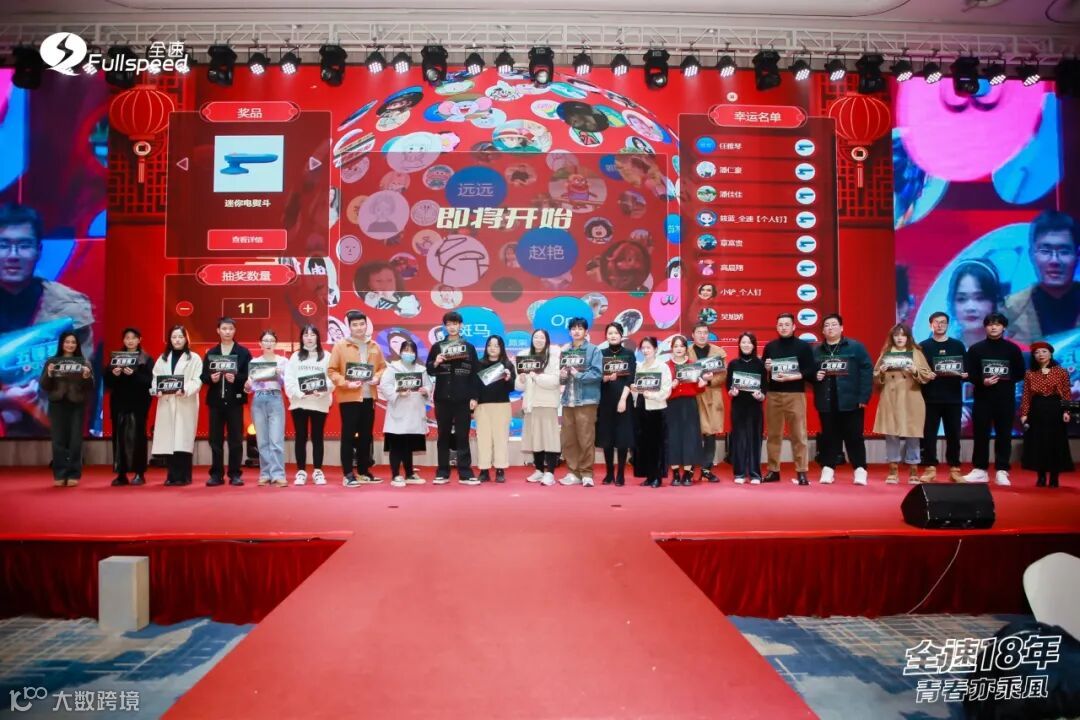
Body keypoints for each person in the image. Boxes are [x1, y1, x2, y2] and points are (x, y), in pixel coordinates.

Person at [0, 203, 96, 437]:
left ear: (38, 250)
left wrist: (33, 399)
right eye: (3, 246)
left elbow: (79, 385)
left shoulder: (70, 310)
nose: (13, 256)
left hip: (46, 439)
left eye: (24, 245)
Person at [963, 313, 1027, 485]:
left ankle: (1002, 470)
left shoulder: (1012, 349)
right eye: (990, 324)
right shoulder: (976, 349)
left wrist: (1005, 377)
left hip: (1005, 399)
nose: (993, 327)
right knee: (981, 434)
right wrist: (982, 381)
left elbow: (1020, 372)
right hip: (982, 399)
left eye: (997, 324)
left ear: (1003, 327)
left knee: (1004, 435)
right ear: (985, 327)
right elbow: (969, 374)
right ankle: (980, 470)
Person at [812, 314, 874, 485]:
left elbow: (867, 371)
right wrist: (814, 375)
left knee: (854, 436)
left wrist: (864, 396)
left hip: (851, 401)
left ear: (841, 328)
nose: (830, 328)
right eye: (827, 325)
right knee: (829, 436)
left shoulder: (855, 347)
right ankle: (828, 468)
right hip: (826, 401)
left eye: (834, 324)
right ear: (823, 330)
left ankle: (860, 469)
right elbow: (809, 372)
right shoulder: (816, 351)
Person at [328, 311, 387, 486]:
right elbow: (332, 371)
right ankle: (347, 474)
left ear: (366, 325)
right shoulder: (340, 346)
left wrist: (377, 377)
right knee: (348, 436)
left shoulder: (374, 346)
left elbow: (383, 367)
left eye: (362, 324)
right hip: (349, 397)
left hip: (369, 397)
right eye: (355, 325)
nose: (359, 328)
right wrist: (346, 383)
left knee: (366, 436)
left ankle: (363, 471)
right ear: (349, 327)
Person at [1004, 211, 1080, 345]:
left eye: (1064, 251)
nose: (1054, 260)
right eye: (1045, 251)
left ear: (1077, 256)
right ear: (1031, 255)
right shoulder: (1010, 309)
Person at [872, 323, 934, 484]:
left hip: (911, 395)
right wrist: (881, 372)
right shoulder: (886, 353)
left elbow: (927, 375)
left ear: (908, 337)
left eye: (903, 335)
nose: (899, 338)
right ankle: (893, 470)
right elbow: (875, 377)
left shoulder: (916, 353)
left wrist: (915, 370)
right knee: (891, 434)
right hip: (890, 397)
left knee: (913, 434)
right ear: (892, 337)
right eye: (896, 335)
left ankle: (913, 469)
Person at [761, 313, 817, 485]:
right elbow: (763, 371)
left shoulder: (803, 347)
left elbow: (811, 371)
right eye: (780, 324)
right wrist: (766, 367)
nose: (783, 327)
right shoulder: (770, 346)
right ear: (776, 327)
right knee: (773, 434)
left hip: (796, 394)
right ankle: (773, 470)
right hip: (773, 394)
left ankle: (802, 471)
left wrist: (794, 377)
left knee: (799, 434)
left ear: (793, 327)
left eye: (787, 324)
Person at [426, 311, 480, 485]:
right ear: (445, 326)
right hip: (442, 398)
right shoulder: (437, 347)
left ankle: (465, 473)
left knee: (463, 436)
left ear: (460, 325)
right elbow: (429, 369)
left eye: (455, 324)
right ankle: (442, 472)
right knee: (443, 435)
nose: (452, 327)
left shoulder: (469, 348)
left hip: (463, 399)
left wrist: (474, 397)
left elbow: (475, 374)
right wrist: (436, 362)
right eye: (449, 324)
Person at [201, 317, 251, 487]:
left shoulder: (243, 353)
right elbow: (203, 376)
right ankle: (216, 474)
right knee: (215, 440)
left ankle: (235, 474)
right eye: (224, 328)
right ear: (218, 331)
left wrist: (236, 378)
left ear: (234, 331)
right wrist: (211, 378)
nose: (227, 332)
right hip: (215, 402)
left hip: (235, 402)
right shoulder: (211, 353)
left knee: (235, 440)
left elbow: (250, 376)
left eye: (230, 328)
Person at [918, 312, 968, 482]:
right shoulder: (922, 346)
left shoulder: (957, 345)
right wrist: (925, 375)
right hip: (930, 398)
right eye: (936, 322)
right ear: (930, 325)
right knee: (929, 435)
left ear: (948, 324)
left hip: (953, 398)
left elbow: (966, 369)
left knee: (954, 434)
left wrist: (965, 374)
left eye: (943, 322)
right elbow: (918, 371)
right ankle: (930, 468)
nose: (940, 325)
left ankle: (954, 469)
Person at [151, 326, 203, 486]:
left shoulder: (194, 358)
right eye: (174, 337)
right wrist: (157, 389)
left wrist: (185, 390)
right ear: (170, 339)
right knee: (170, 440)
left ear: (186, 339)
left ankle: (184, 476)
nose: (177, 340)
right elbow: (155, 378)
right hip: (167, 401)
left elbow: (197, 380)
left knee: (183, 440)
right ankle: (171, 475)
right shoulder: (163, 358)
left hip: (185, 401)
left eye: (180, 337)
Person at [40, 331, 93, 487]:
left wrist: (87, 377)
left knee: (75, 441)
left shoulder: (84, 362)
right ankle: (60, 473)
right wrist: (49, 374)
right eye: (67, 342)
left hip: (77, 404)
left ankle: (74, 473)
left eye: (73, 342)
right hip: (57, 404)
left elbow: (91, 386)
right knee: (58, 440)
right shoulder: (52, 361)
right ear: (61, 344)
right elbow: (44, 386)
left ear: (77, 345)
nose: (70, 345)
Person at [378, 339, 432, 487]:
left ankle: (409, 474)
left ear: (416, 353)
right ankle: (396, 475)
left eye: (412, 351)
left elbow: (428, 385)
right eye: (406, 350)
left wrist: (425, 391)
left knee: (409, 444)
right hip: (398, 411)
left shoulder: (421, 370)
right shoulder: (393, 368)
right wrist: (398, 393)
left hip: (415, 412)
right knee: (396, 445)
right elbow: (385, 386)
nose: (409, 353)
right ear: (400, 352)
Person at [284, 324, 333, 486]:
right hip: (300, 403)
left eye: (312, 335)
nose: (309, 338)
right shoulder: (295, 357)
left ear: (317, 337)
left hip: (319, 402)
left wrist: (322, 390)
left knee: (318, 437)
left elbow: (332, 377)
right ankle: (301, 471)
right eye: (306, 335)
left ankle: (318, 471)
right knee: (301, 437)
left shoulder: (327, 356)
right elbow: (289, 379)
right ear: (302, 338)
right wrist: (299, 393)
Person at [1020, 341, 1073, 488]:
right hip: (1037, 408)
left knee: (1055, 443)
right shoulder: (1030, 373)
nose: (1040, 355)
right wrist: (1024, 413)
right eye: (1037, 352)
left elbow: (1066, 393)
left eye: (1044, 351)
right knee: (1039, 443)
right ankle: (1041, 476)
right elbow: (1026, 395)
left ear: (1050, 354)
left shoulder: (1061, 371)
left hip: (1055, 408)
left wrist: (1067, 411)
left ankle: (1054, 477)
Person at [103, 328, 153, 486]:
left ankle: (139, 473)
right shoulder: (116, 358)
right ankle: (121, 473)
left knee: (138, 438)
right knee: (119, 439)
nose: (130, 341)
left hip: (139, 404)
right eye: (127, 338)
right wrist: (114, 374)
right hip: (119, 404)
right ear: (123, 340)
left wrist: (134, 375)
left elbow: (150, 382)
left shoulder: (146, 359)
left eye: (133, 338)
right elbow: (107, 382)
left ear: (139, 339)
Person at [558, 317, 604, 486]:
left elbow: (597, 374)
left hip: (586, 401)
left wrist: (577, 374)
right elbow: (562, 380)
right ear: (569, 332)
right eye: (573, 328)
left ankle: (586, 473)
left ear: (586, 332)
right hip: (567, 401)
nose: (576, 331)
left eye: (580, 328)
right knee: (569, 439)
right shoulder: (565, 351)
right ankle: (573, 472)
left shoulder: (593, 350)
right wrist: (562, 376)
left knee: (586, 438)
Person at [516, 329, 561, 487]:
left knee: (549, 439)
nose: (539, 340)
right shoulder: (525, 357)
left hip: (547, 403)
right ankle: (539, 470)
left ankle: (550, 473)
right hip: (530, 404)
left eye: (542, 337)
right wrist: (522, 379)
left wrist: (535, 376)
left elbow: (555, 381)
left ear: (547, 340)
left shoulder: (553, 358)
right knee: (535, 438)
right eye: (536, 337)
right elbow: (518, 386)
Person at [245, 330, 288, 487]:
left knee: (276, 440)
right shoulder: (255, 362)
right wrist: (247, 386)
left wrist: (279, 375)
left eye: (271, 340)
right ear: (260, 344)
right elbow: (250, 388)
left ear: (276, 343)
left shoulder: (283, 361)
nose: (268, 343)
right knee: (262, 441)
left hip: (275, 397)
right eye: (265, 340)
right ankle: (265, 473)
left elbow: (286, 384)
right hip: (258, 399)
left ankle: (278, 474)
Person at [596, 322, 636, 486]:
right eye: (610, 333)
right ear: (606, 336)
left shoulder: (629, 354)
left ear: (621, 335)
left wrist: (623, 399)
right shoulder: (600, 354)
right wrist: (605, 378)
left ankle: (620, 474)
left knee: (622, 438)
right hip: (605, 401)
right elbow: (596, 377)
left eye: (616, 333)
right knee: (607, 438)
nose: (613, 336)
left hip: (623, 400)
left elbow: (631, 378)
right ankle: (609, 473)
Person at [688, 323, 727, 482]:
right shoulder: (686, 351)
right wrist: (697, 378)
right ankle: (689, 468)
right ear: (693, 335)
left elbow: (724, 375)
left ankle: (706, 469)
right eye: (699, 332)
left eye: (705, 332)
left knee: (710, 434)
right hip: (692, 395)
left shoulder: (718, 352)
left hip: (712, 396)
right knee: (692, 434)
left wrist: (710, 380)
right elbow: (681, 373)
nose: (702, 335)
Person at [666, 335, 707, 486]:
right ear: (672, 348)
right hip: (672, 405)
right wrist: (671, 386)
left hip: (689, 405)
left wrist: (702, 385)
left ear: (686, 348)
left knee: (690, 437)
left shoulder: (693, 365)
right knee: (673, 437)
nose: (678, 349)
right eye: (675, 346)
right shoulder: (666, 366)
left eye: (681, 346)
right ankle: (676, 473)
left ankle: (688, 473)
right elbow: (662, 389)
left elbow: (699, 389)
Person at [631, 336, 672, 488]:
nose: (646, 350)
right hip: (641, 407)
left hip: (657, 408)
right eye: (643, 348)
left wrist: (652, 395)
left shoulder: (662, 367)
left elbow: (666, 389)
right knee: (643, 443)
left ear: (655, 349)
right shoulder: (639, 366)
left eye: (649, 347)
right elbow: (636, 386)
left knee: (657, 444)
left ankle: (657, 477)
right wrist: (635, 389)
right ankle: (648, 475)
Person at [726, 333, 766, 484]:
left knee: (755, 440)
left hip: (755, 407)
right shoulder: (733, 364)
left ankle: (755, 474)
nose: (746, 345)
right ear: (739, 344)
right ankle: (740, 473)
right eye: (743, 342)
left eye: (749, 342)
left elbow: (764, 388)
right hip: (738, 407)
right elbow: (728, 387)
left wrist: (760, 396)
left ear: (754, 345)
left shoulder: (760, 364)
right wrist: (732, 392)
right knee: (739, 440)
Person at [475, 335, 516, 483]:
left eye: (496, 345)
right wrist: (473, 400)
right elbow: (474, 385)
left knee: (501, 439)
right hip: (482, 406)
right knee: (483, 439)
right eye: (490, 345)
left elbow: (512, 387)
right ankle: (484, 470)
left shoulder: (507, 364)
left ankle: (500, 469)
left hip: (502, 406)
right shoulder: (479, 364)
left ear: (501, 348)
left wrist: (508, 379)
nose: (492, 348)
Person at [947, 260, 1001, 349]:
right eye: (961, 299)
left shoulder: (1015, 352)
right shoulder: (938, 351)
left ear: (994, 302)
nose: (970, 308)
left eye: (980, 298)